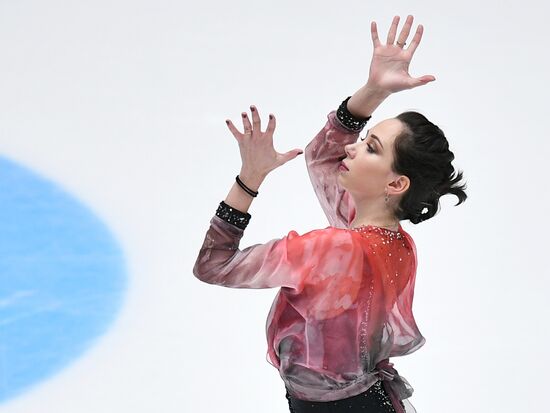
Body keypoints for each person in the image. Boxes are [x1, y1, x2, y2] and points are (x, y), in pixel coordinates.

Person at [192, 14, 467, 413]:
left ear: (396, 185)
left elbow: (213, 265)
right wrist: (372, 91)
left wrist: (248, 181)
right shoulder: (394, 242)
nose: (352, 149)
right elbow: (323, 156)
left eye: (371, 147)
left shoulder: (330, 249)